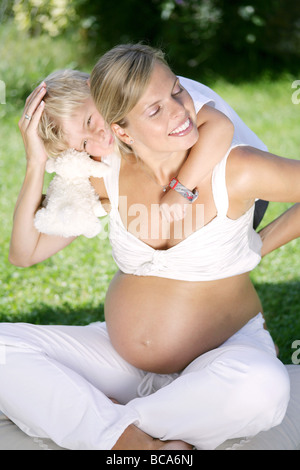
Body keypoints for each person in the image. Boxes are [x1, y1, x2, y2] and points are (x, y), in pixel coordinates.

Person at [1, 44, 299, 450]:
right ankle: (143, 436)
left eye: (177, 92)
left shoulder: (235, 166)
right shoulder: (106, 174)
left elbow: (212, 121)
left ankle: (110, 427)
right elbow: (24, 253)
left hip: (220, 356)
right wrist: (35, 163)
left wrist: (256, 246)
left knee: (263, 387)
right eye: (154, 110)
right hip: (120, 362)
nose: (178, 110)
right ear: (122, 129)